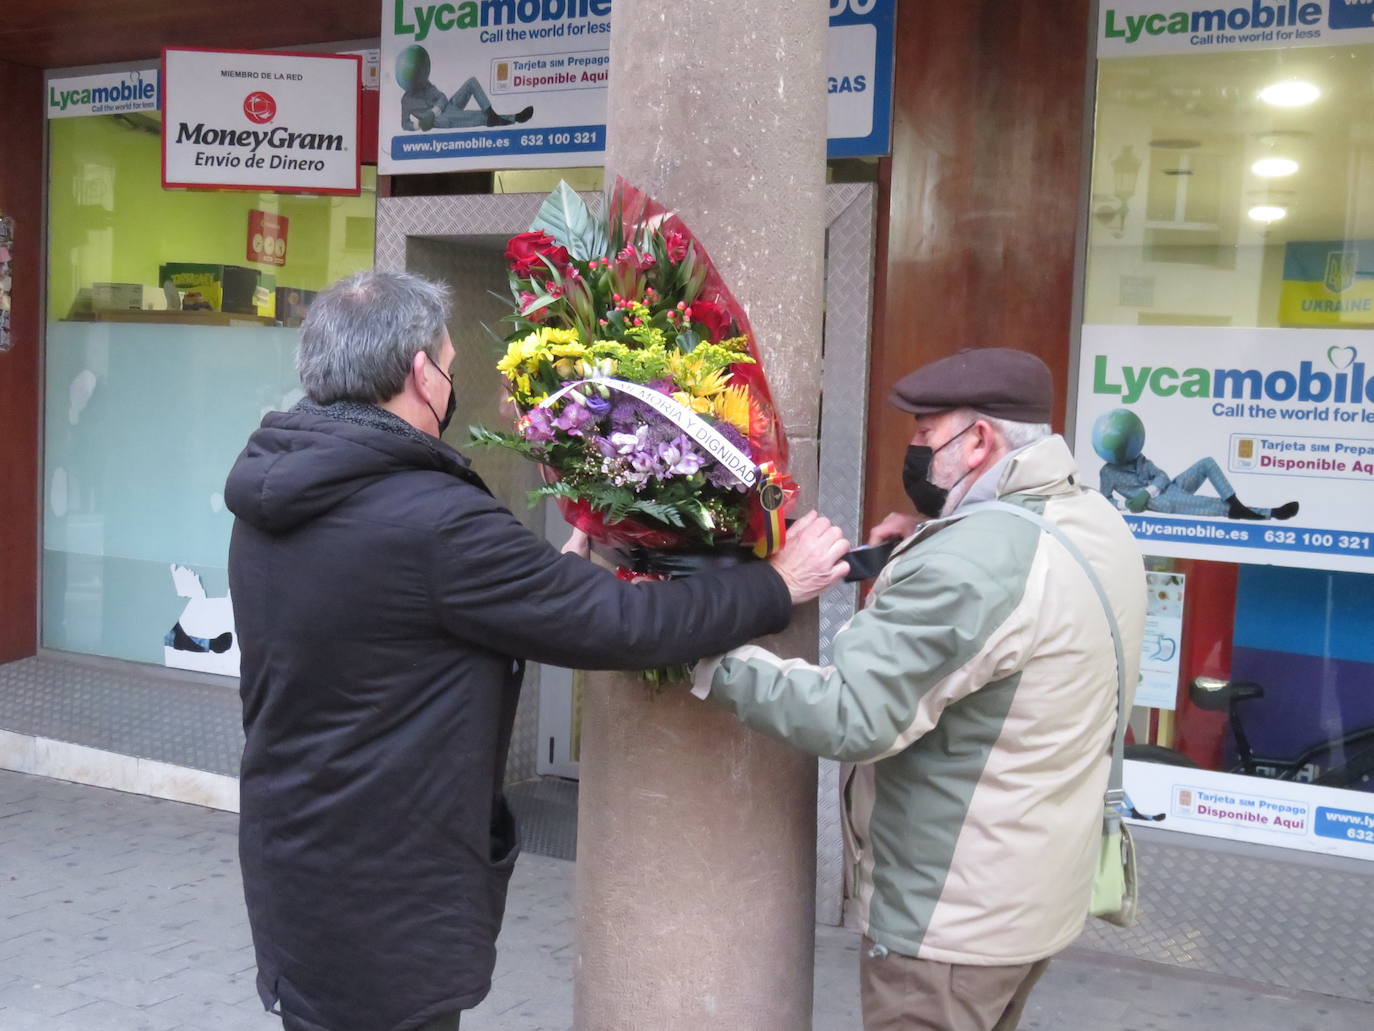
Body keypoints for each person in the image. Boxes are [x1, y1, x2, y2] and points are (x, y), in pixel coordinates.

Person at [223, 270, 848, 1031]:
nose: (451, 383)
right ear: (422, 374)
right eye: (451, 366)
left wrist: (547, 586)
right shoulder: (431, 520)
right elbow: (622, 625)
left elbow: (392, 626)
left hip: (300, 866)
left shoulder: (276, 491)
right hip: (386, 900)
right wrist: (778, 584)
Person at [691, 348, 1147, 1031]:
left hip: (950, 929)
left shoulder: (973, 560)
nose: (914, 452)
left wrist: (700, 653)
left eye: (925, 435)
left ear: (979, 441)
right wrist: (931, 544)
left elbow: (851, 713)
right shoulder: (1094, 522)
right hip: (1035, 900)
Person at [1091, 406, 1298, 521]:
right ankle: (1269, 513)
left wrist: (1149, 490)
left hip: (1168, 488)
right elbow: (1105, 500)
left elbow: (1161, 476)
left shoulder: (1138, 458)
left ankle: (1237, 505)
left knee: (1206, 463)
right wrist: (1125, 504)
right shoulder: (1107, 473)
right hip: (1162, 502)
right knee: (1212, 505)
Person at [396, 44, 533, 131]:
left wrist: (433, 112)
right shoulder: (406, 101)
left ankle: (491, 114)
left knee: (472, 83)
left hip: (444, 109)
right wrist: (419, 124)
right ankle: (514, 118)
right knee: (476, 117)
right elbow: (405, 123)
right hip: (441, 119)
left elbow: (442, 98)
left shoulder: (426, 86)